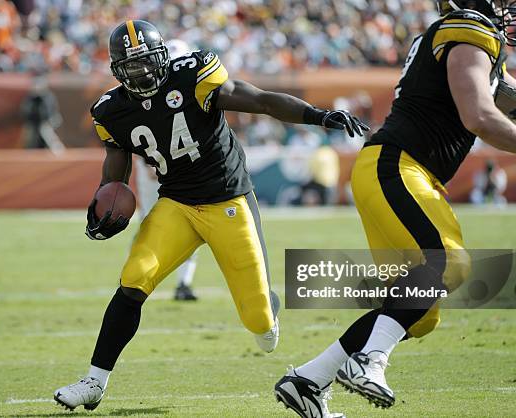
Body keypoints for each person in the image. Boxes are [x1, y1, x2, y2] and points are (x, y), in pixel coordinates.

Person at [53, 19, 368, 412]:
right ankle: (94, 381)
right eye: (133, 68)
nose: (144, 73)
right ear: (118, 71)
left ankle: (269, 310)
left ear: (164, 57)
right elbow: (115, 167)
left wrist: (317, 116)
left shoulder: (194, 76)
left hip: (228, 201)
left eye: (148, 63)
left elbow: (260, 100)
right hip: (177, 205)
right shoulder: (111, 110)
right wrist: (105, 201)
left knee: (258, 321)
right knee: (134, 278)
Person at [275, 1, 516, 417]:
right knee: (448, 262)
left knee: (418, 309)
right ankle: (368, 361)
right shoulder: (467, 30)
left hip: (396, 169)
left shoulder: (461, 36)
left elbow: (510, 95)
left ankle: (308, 379)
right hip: (398, 164)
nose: (508, 8)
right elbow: (480, 115)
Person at [135, 38, 200, 301]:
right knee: (149, 227)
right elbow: (136, 130)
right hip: (156, 168)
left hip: (184, 169)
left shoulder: (195, 89)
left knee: (193, 226)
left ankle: (183, 283)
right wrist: (146, 162)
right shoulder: (145, 92)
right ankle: (137, 280)